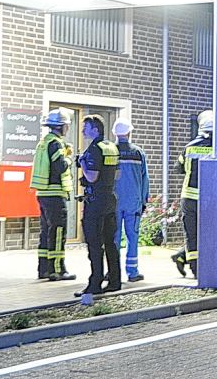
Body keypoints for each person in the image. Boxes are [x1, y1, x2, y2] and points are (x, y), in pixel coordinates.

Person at [170, 110, 217, 278]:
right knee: (207, 233)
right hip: (209, 199)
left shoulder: (189, 147)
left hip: (189, 197)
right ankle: (189, 262)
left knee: (191, 235)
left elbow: (178, 168)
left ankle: (193, 267)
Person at [75, 115, 121, 300]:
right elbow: (116, 174)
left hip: (95, 201)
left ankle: (95, 284)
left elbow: (92, 177)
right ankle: (115, 281)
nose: (83, 131)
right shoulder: (110, 147)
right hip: (109, 198)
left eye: (85, 127)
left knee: (94, 244)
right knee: (110, 242)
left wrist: (83, 163)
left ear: (95, 129)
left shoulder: (94, 149)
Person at [30, 108, 76, 282]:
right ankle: (57, 269)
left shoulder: (44, 142)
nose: (68, 129)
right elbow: (60, 166)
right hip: (55, 193)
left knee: (46, 231)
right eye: (67, 126)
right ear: (62, 126)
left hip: (43, 193)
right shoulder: (56, 144)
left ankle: (44, 269)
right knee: (57, 232)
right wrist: (69, 157)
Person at [111, 117, 149, 282]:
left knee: (114, 237)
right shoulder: (138, 152)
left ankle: (114, 271)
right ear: (129, 132)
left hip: (114, 202)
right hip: (133, 202)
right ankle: (132, 272)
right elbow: (144, 178)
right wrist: (144, 200)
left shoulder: (111, 151)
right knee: (132, 236)